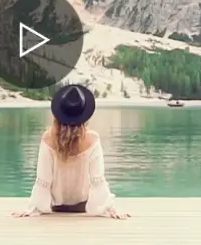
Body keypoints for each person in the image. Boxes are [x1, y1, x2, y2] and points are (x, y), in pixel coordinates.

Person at [12, 84, 129, 219]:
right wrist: (109, 209)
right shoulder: (92, 140)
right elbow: (98, 180)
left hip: (56, 207)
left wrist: (33, 208)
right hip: (82, 207)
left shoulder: (48, 139)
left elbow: (43, 180)